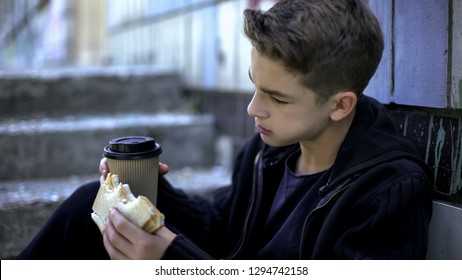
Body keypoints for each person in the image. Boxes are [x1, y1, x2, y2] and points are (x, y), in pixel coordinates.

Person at [17, 0, 433, 260]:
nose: (254, 109)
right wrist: (159, 199)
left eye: (278, 97)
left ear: (341, 105)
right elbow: (225, 227)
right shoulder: (269, 147)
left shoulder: (387, 190)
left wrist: (173, 263)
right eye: (254, 86)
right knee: (87, 208)